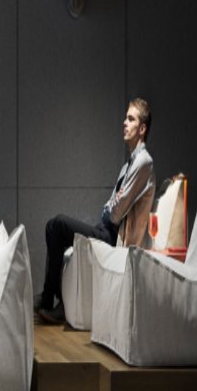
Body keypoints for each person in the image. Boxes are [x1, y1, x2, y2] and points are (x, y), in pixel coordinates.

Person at [37, 98, 156, 324]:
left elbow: (115, 214)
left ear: (142, 129)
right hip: (105, 229)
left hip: (113, 238)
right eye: (125, 118)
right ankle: (50, 298)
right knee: (52, 225)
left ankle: (52, 301)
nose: (124, 122)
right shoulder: (129, 164)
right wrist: (113, 205)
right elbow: (110, 206)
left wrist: (113, 206)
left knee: (59, 224)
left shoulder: (143, 162)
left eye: (131, 119)